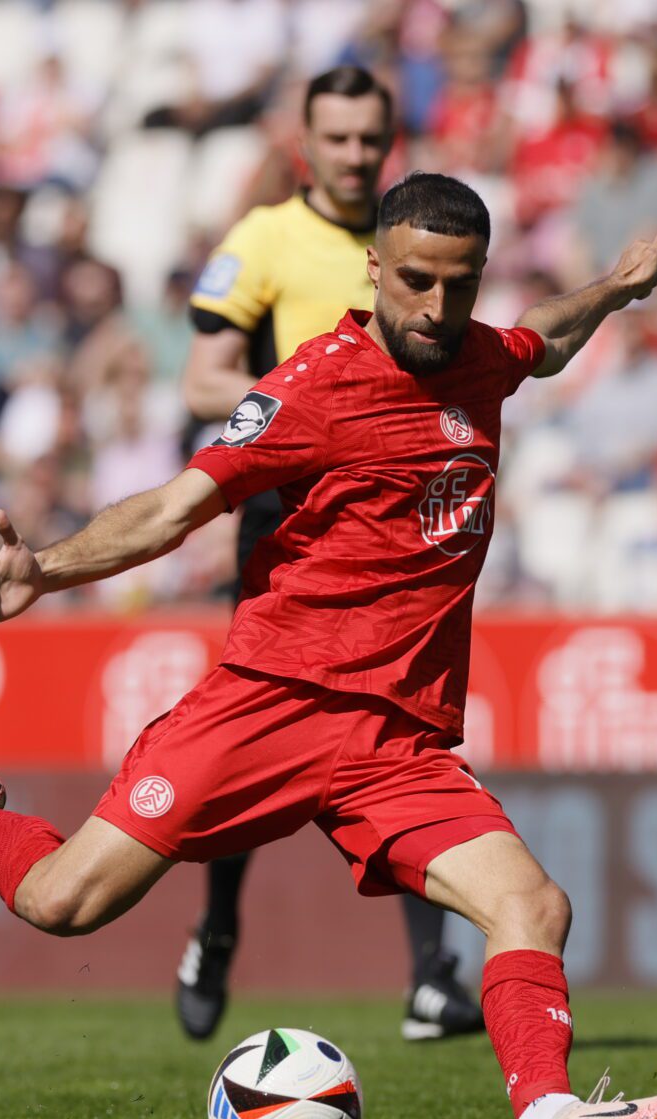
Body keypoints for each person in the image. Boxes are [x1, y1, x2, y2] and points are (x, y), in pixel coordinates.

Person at [0, 174, 657, 1119]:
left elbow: (539, 341)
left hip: (394, 742)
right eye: (416, 282)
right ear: (374, 269)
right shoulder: (314, 388)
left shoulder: (474, 353)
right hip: (270, 704)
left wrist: (611, 286)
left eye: (458, 286)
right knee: (63, 903)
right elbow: (174, 510)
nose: (436, 309)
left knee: (533, 907)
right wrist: (49, 566)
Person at [179, 65, 482, 1046]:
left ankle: (433, 972)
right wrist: (314, 408)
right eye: (337, 138)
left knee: (399, 724)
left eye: (369, 138)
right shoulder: (264, 238)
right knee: (251, 727)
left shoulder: (419, 241)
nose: (355, 155)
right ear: (302, 139)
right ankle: (218, 925)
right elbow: (201, 376)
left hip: (400, 509)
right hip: (287, 513)